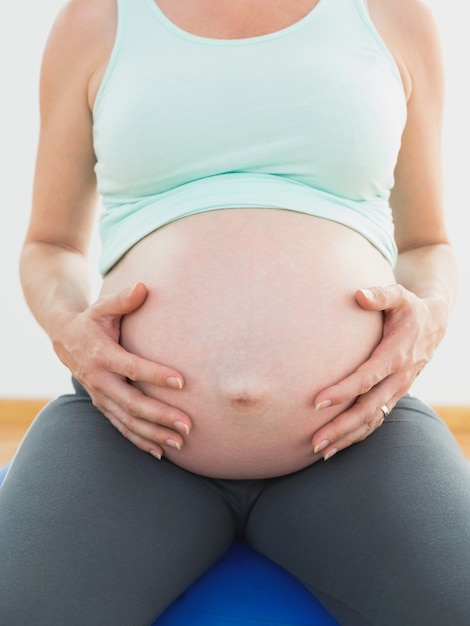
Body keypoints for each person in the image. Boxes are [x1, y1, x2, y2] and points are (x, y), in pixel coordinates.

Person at [1, 0, 469, 623]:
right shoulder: (96, 20)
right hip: (129, 434)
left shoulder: (392, 16)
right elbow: (50, 245)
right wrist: (71, 334)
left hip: (358, 435)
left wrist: (429, 317)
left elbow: (426, 243)